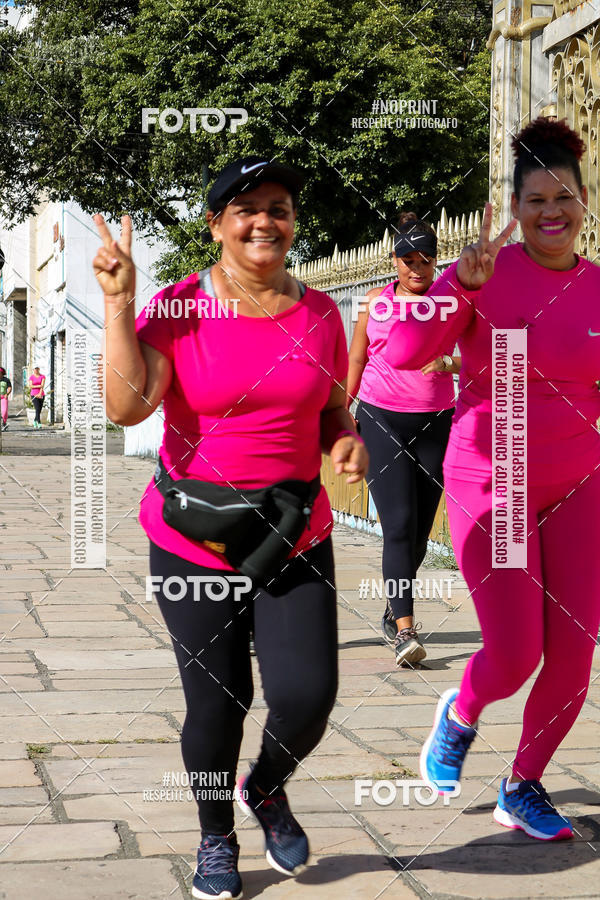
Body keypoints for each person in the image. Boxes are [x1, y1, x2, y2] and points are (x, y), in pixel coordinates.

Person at [93, 156, 368, 900]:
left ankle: (268, 787)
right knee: (219, 701)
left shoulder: (320, 314)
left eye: (278, 207)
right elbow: (127, 407)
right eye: (245, 208)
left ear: (292, 223)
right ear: (215, 224)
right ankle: (216, 836)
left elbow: (331, 407)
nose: (263, 221)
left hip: (294, 533)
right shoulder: (181, 307)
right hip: (196, 538)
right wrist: (120, 303)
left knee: (308, 695)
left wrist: (344, 438)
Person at [386, 117, 600, 840]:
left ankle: (524, 785)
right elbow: (411, 350)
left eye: (564, 196)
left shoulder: (597, 288)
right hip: (496, 475)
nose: (552, 212)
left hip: (579, 484)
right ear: (515, 208)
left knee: (574, 655)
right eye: (536, 198)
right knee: (515, 653)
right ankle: (462, 712)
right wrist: (455, 287)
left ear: (582, 200)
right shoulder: (484, 273)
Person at [347, 213, 460, 666]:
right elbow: (357, 360)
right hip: (380, 420)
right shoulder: (372, 304)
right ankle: (406, 630)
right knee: (397, 523)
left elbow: (477, 353)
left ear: (435, 261)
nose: (417, 268)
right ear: (393, 259)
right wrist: (341, 414)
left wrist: (449, 364)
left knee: (417, 535)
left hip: (436, 423)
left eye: (426, 260)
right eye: (408, 259)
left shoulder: (450, 304)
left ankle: (392, 610)